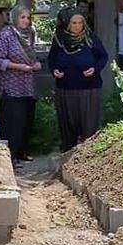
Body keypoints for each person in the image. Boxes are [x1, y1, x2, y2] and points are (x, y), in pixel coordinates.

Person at [48, 8, 108, 152]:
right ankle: (68, 155)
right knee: (68, 124)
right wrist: (54, 70)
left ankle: (88, 156)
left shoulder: (91, 38)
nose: (77, 26)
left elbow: (103, 57)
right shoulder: (59, 39)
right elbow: (52, 59)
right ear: (67, 24)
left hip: (88, 88)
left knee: (88, 126)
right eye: (74, 23)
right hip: (65, 88)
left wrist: (94, 68)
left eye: (80, 23)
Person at [0, 6, 41, 165]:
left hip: (27, 85)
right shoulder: (6, 34)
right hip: (12, 86)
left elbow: (31, 56)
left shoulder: (30, 34)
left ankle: (21, 152)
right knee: (13, 121)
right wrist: (18, 66)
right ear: (14, 18)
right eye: (22, 17)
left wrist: (36, 64)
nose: (26, 21)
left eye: (28, 18)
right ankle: (10, 156)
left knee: (26, 120)